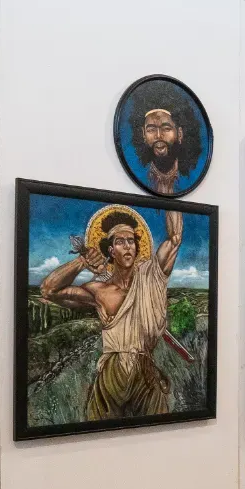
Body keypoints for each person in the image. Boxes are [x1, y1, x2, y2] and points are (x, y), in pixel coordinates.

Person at [40, 204, 183, 419]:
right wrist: (82, 262)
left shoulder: (151, 276)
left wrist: (170, 191)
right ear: (110, 250)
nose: (127, 246)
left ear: (136, 247)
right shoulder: (98, 290)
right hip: (111, 374)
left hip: (146, 372)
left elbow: (174, 238)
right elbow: (49, 290)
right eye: (120, 241)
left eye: (131, 241)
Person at [129, 103, 204, 196]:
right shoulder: (139, 175)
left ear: (179, 134)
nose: (158, 135)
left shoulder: (191, 177)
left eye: (166, 128)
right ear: (144, 134)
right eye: (151, 130)